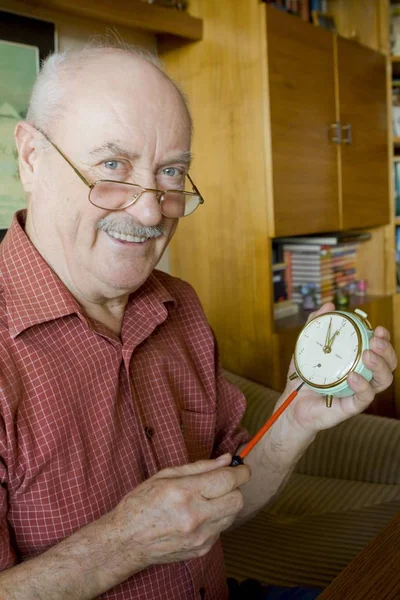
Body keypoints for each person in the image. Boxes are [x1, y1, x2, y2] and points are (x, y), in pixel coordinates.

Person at [0, 43, 396, 600]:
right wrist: (124, 542)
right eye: (113, 166)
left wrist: (296, 417)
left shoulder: (179, 308)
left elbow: (222, 499)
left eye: (170, 173)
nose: (149, 209)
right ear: (31, 157)